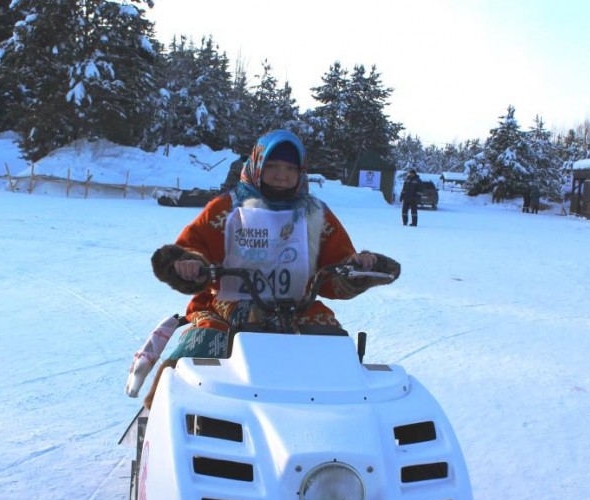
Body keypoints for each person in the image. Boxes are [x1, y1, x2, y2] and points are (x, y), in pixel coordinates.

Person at [143, 129, 400, 404]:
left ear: (301, 172)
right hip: (227, 305)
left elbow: (336, 267)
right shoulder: (225, 210)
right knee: (200, 351)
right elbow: (192, 247)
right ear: (257, 165)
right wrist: (189, 264)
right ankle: (162, 408)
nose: (281, 175)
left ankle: (337, 409)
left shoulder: (316, 215)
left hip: (298, 307)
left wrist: (356, 268)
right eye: (273, 166)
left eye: (290, 168)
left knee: (331, 346)